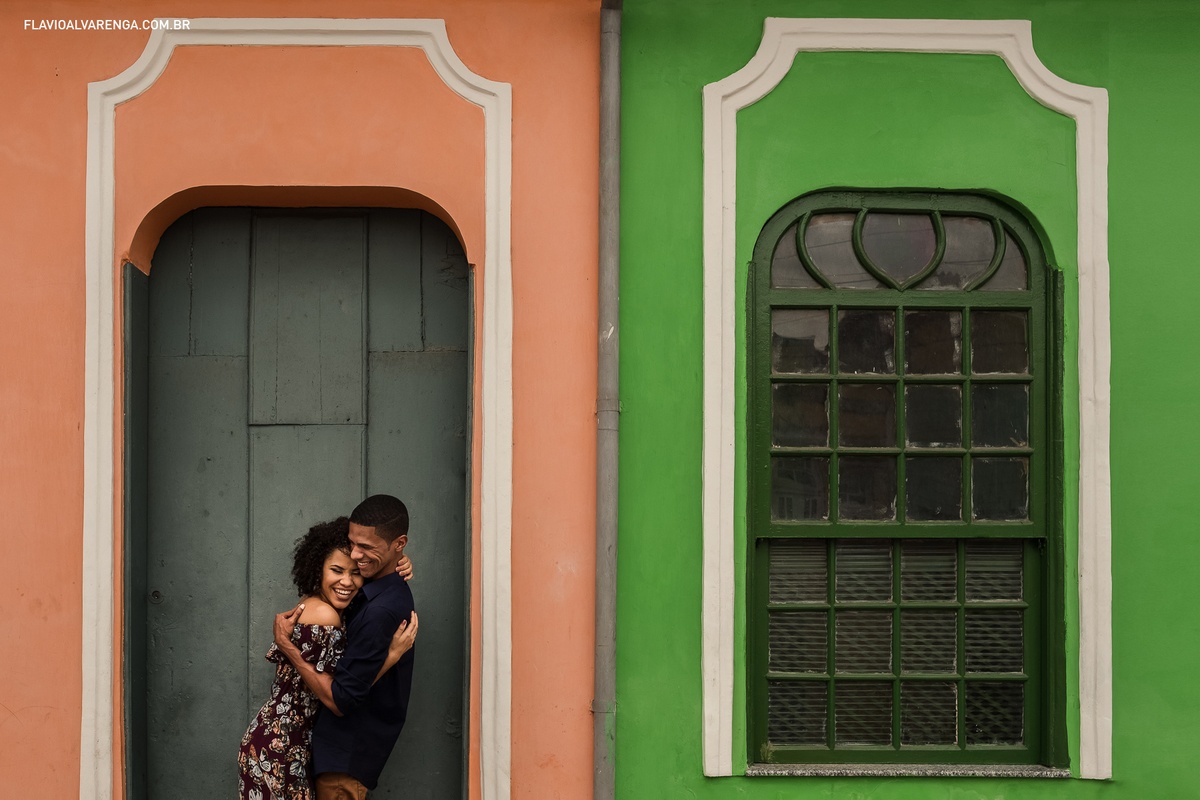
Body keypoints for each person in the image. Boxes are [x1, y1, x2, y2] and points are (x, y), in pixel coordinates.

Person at [238, 517, 418, 800]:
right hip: (282, 744)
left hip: (289, 741)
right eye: (336, 570)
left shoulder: (333, 607)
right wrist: (391, 657)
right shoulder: (324, 615)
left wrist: (398, 561)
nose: (347, 581)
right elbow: (340, 694)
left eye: (355, 572)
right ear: (317, 569)